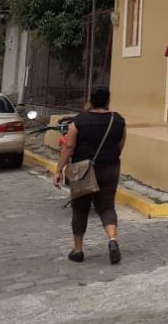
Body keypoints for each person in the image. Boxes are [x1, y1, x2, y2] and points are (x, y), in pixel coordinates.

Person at [54, 88, 127, 264]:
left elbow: (69, 147)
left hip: (82, 170)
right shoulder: (118, 120)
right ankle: (112, 240)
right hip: (110, 168)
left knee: (80, 209)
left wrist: (58, 170)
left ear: (90, 101)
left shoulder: (80, 121)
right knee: (107, 206)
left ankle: (78, 250)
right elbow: (120, 145)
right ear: (108, 100)